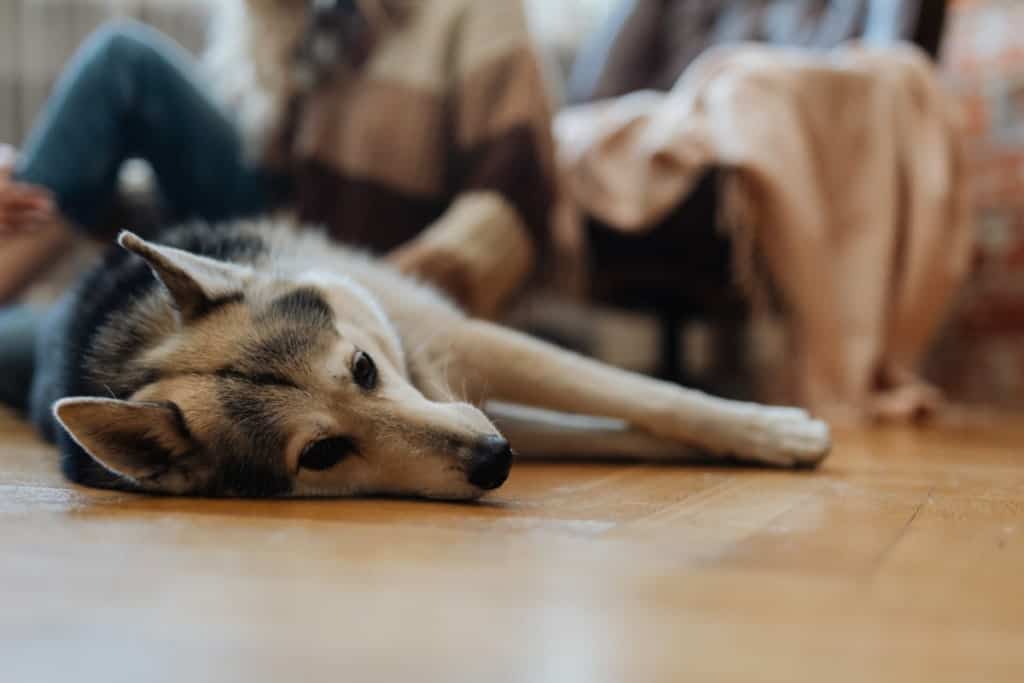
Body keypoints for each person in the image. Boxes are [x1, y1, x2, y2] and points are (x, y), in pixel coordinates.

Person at [0, 0, 555, 413]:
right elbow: (251, 201)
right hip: (255, 270)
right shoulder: (273, 20)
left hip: (352, 299)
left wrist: (376, 301)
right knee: (122, 62)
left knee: (52, 354)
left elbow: (512, 204)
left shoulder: (473, 12)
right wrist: (75, 169)